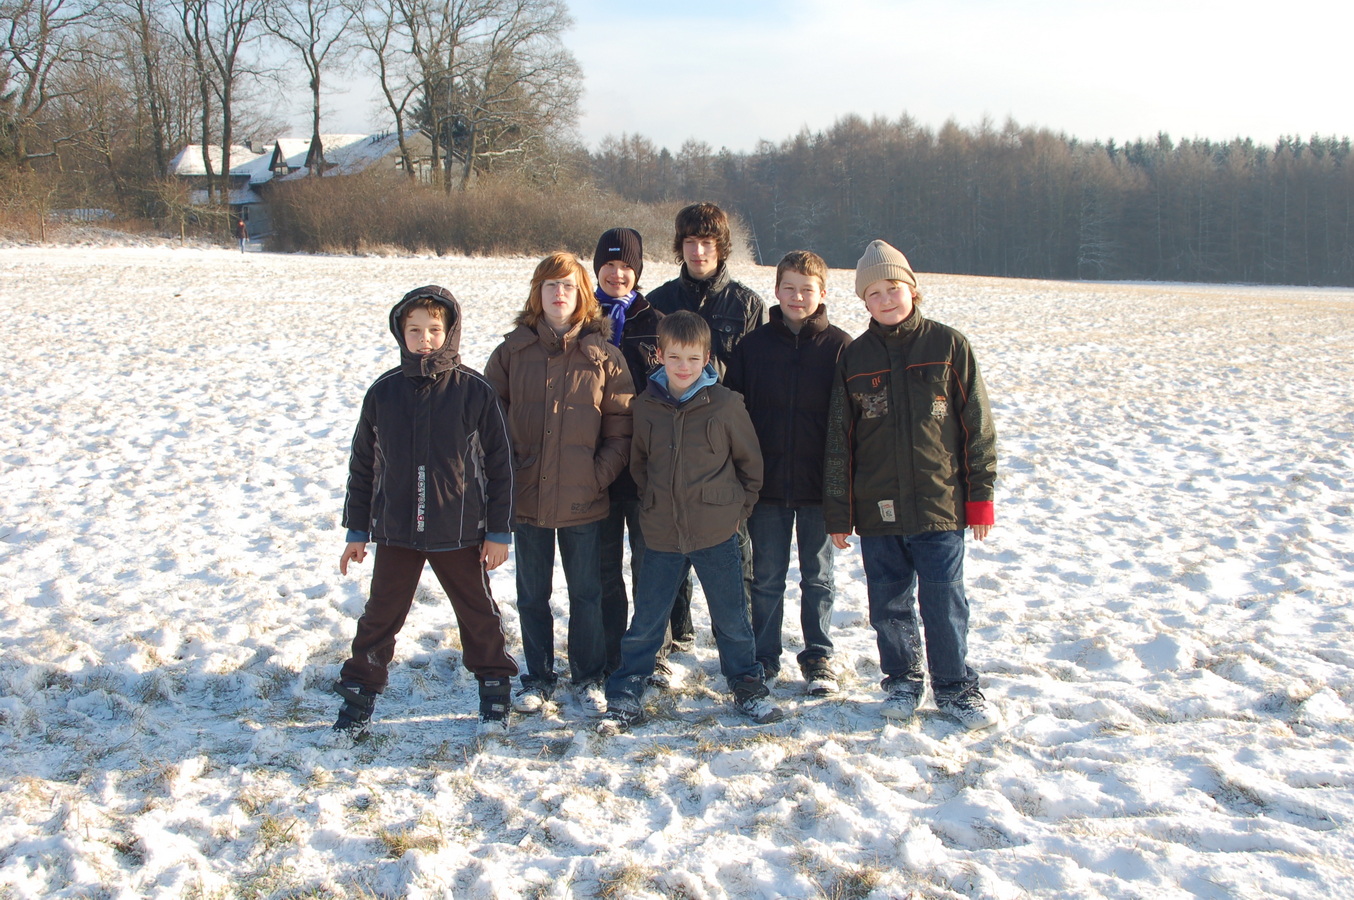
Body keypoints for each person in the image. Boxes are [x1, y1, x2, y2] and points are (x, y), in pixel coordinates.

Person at [824, 240, 1000, 730]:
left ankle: (956, 688)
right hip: (877, 508)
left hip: (940, 505)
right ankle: (902, 680)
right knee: (889, 603)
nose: (885, 299)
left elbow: (978, 427)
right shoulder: (854, 358)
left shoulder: (948, 346)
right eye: (874, 293)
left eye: (893, 288)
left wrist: (980, 498)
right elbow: (839, 440)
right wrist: (839, 513)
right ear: (863, 301)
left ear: (913, 289)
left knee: (945, 601)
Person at [335, 285, 519, 740]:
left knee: (477, 613)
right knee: (380, 615)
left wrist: (498, 531)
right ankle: (358, 695)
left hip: (459, 528)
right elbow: (363, 465)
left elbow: (501, 466)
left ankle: (494, 689)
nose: (424, 340)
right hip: (397, 529)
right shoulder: (384, 393)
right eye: (414, 330)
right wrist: (357, 529)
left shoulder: (474, 391)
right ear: (401, 332)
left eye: (434, 330)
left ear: (450, 332)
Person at [600, 311, 782, 731]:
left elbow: (750, 466)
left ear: (707, 358)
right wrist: (653, 503)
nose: (684, 367)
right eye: (675, 357)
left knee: (732, 618)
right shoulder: (645, 407)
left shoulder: (726, 404)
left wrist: (736, 511)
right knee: (647, 619)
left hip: (716, 531)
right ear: (659, 355)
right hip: (662, 533)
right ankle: (627, 690)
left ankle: (747, 685)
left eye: (693, 358)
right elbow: (640, 464)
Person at [484, 252, 634, 718]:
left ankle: (588, 676)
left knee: (587, 593)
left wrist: (595, 477)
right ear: (537, 293)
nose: (559, 293)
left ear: (583, 294)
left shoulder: (604, 357)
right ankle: (538, 677)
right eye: (550, 285)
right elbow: (488, 424)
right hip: (527, 498)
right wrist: (508, 477)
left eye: (568, 285)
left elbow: (622, 430)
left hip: (583, 500)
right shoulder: (511, 353)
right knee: (532, 595)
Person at [725, 250, 851, 695]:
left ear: (823, 293)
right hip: (768, 486)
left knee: (818, 576)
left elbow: (852, 423)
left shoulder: (841, 347)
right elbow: (733, 415)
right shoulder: (753, 347)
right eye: (789, 288)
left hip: (820, 488)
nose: (798, 297)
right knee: (767, 578)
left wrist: (844, 488)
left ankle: (818, 655)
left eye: (807, 289)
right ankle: (765, 656)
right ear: (776, 290)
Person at [647, 202, 767, 655]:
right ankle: (677, 634)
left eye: (707, 243)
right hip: (671, 444)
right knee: (671, 544)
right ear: (679, 246)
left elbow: (756, 383)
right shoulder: (658, 303)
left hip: (724, 449)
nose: (698, 251)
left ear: (722, 247)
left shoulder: (747, 305)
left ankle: (739, 641)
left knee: (734, 550)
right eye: (690, 242)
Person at [591, 228, 663, 674]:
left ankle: (651, 652)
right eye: (609, 265)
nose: (617, 274)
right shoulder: (581, 317)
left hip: (645, 464)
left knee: (648, 564)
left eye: (626, 266)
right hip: (593, 462)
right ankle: (609, 651)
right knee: (602, 567)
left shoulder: (657, 323)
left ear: (637, 271)